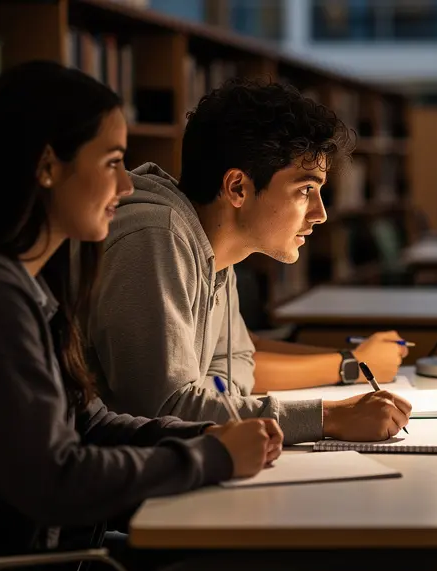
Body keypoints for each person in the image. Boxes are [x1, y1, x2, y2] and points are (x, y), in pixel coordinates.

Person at [0, 61, 281, 562]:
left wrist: (205, 435)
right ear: (48, 166)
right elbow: (55, 478)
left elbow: (90, 425)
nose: (126, 186)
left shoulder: (27, 284)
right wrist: (212, 457)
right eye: (112, 162)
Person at [88, 76, 411, 443]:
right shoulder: (157, 236)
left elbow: (239, 361)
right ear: (238, 187)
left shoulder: (216, 251)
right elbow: (166, 411)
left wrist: (209, 402)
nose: (320, 214)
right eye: (305, 190)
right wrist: (329, 417)